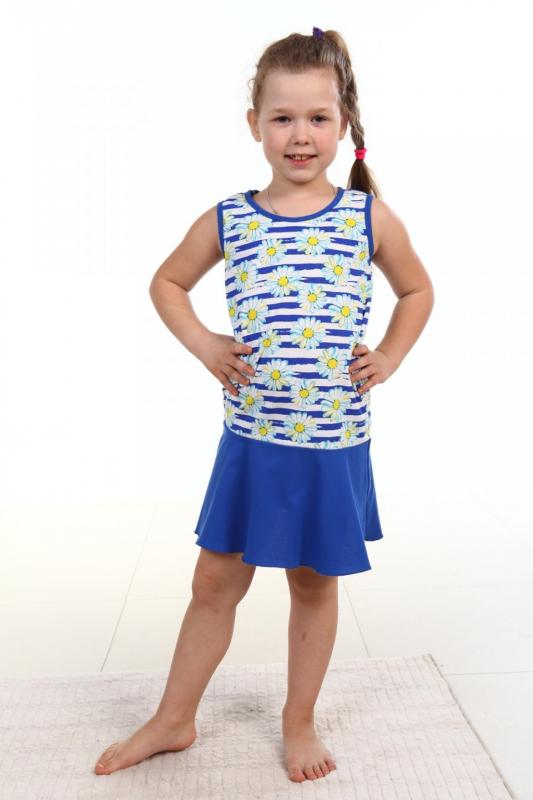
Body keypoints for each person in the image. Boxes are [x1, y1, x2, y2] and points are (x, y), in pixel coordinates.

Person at [94, 26, 434, 783]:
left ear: (343, 124)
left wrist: (389, 354)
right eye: (282, 117)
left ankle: (298, 720)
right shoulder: (231, 217)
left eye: (317, 117)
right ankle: (173, 718)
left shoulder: (365, 217)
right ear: (254, 124)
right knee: (214, 581)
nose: (300, 135)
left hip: (331, 443)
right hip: (252, 439)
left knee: (312, 582)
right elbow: (166, 282)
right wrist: (205, 344)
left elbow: (416, 289)